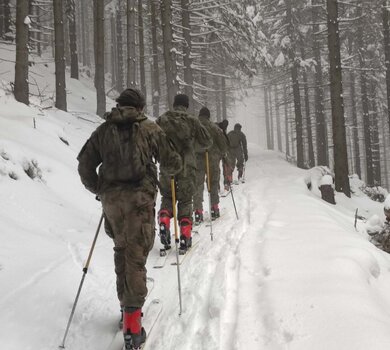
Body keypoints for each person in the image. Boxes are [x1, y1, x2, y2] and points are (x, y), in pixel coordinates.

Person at [77, 88, 181, 349]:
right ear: (141, 107)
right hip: (139, 199)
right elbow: (173, 161)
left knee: (121, 250)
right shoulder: (149, 128)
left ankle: (126, 309)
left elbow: (84, 165)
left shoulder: (103, 130)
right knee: (136, 255)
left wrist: (99, 189)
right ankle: (133, 326)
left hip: (112, 202)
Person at [156, 94, 211, 253]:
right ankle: (185, 236)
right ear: (186, 106)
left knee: (167, 196)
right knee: (186, 200)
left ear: (174, 104)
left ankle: (165, 220)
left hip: (167, 167)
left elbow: (152, 140)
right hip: (188, 167)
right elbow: (207, 141)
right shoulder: (193, 121)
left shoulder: (163, 119)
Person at [193, 107, 228, 223]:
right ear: (208, 116)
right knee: (213, 183)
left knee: (198, 185)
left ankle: (198, 212)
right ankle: (214, 209)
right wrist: (222, 154)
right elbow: (223, 145)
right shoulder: (214, 127)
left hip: (197, 159)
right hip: (212, 159)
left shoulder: (194, 126)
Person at [216, 119, 233, 191]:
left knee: (217, 169)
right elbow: (224, 142)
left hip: (215, 152)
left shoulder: (217, 128)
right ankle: (226, 184)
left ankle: (217, 187)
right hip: (220, 151)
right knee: (226, 166)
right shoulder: (220, 130)